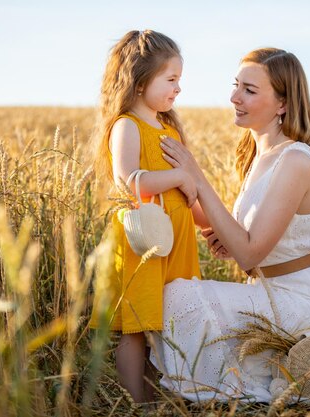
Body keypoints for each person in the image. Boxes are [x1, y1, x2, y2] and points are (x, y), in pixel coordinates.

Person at [151, 47, 310, 402]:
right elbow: (238, 233)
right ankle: (276, 373)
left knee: (179, 296)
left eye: (250, 90)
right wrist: (164, 182)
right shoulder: (261, 157)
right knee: (175, 297)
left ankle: (292, 365)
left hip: (299, 301)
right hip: (270, 293)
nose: (234, 97)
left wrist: (196, 175)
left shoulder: (295, 160)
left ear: (282, 104)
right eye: (236, 85)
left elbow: (249, 253)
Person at [87, 29, 207, 404]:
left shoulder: (168, 127)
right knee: (138, 327)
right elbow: (129, 182)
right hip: (146, 243)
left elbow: (188, 193)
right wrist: (179, 176)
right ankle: (136, 402)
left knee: (171, 323)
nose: (178, 89)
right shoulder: (127, 126)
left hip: (177, 242)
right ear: (140, 82)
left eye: (179, 80)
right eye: (171, 79)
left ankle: (162, 394)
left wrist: (207, 225)